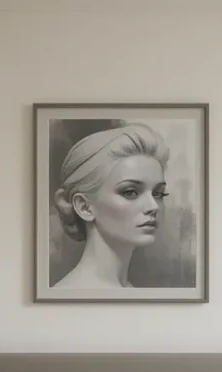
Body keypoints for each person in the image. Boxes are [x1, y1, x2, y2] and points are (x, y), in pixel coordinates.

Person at [52, 124, 170, 289]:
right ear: (84, 207)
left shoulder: (127, 289)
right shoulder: (72, 295)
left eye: (158, 194)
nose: (153, 206)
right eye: (130, 192)